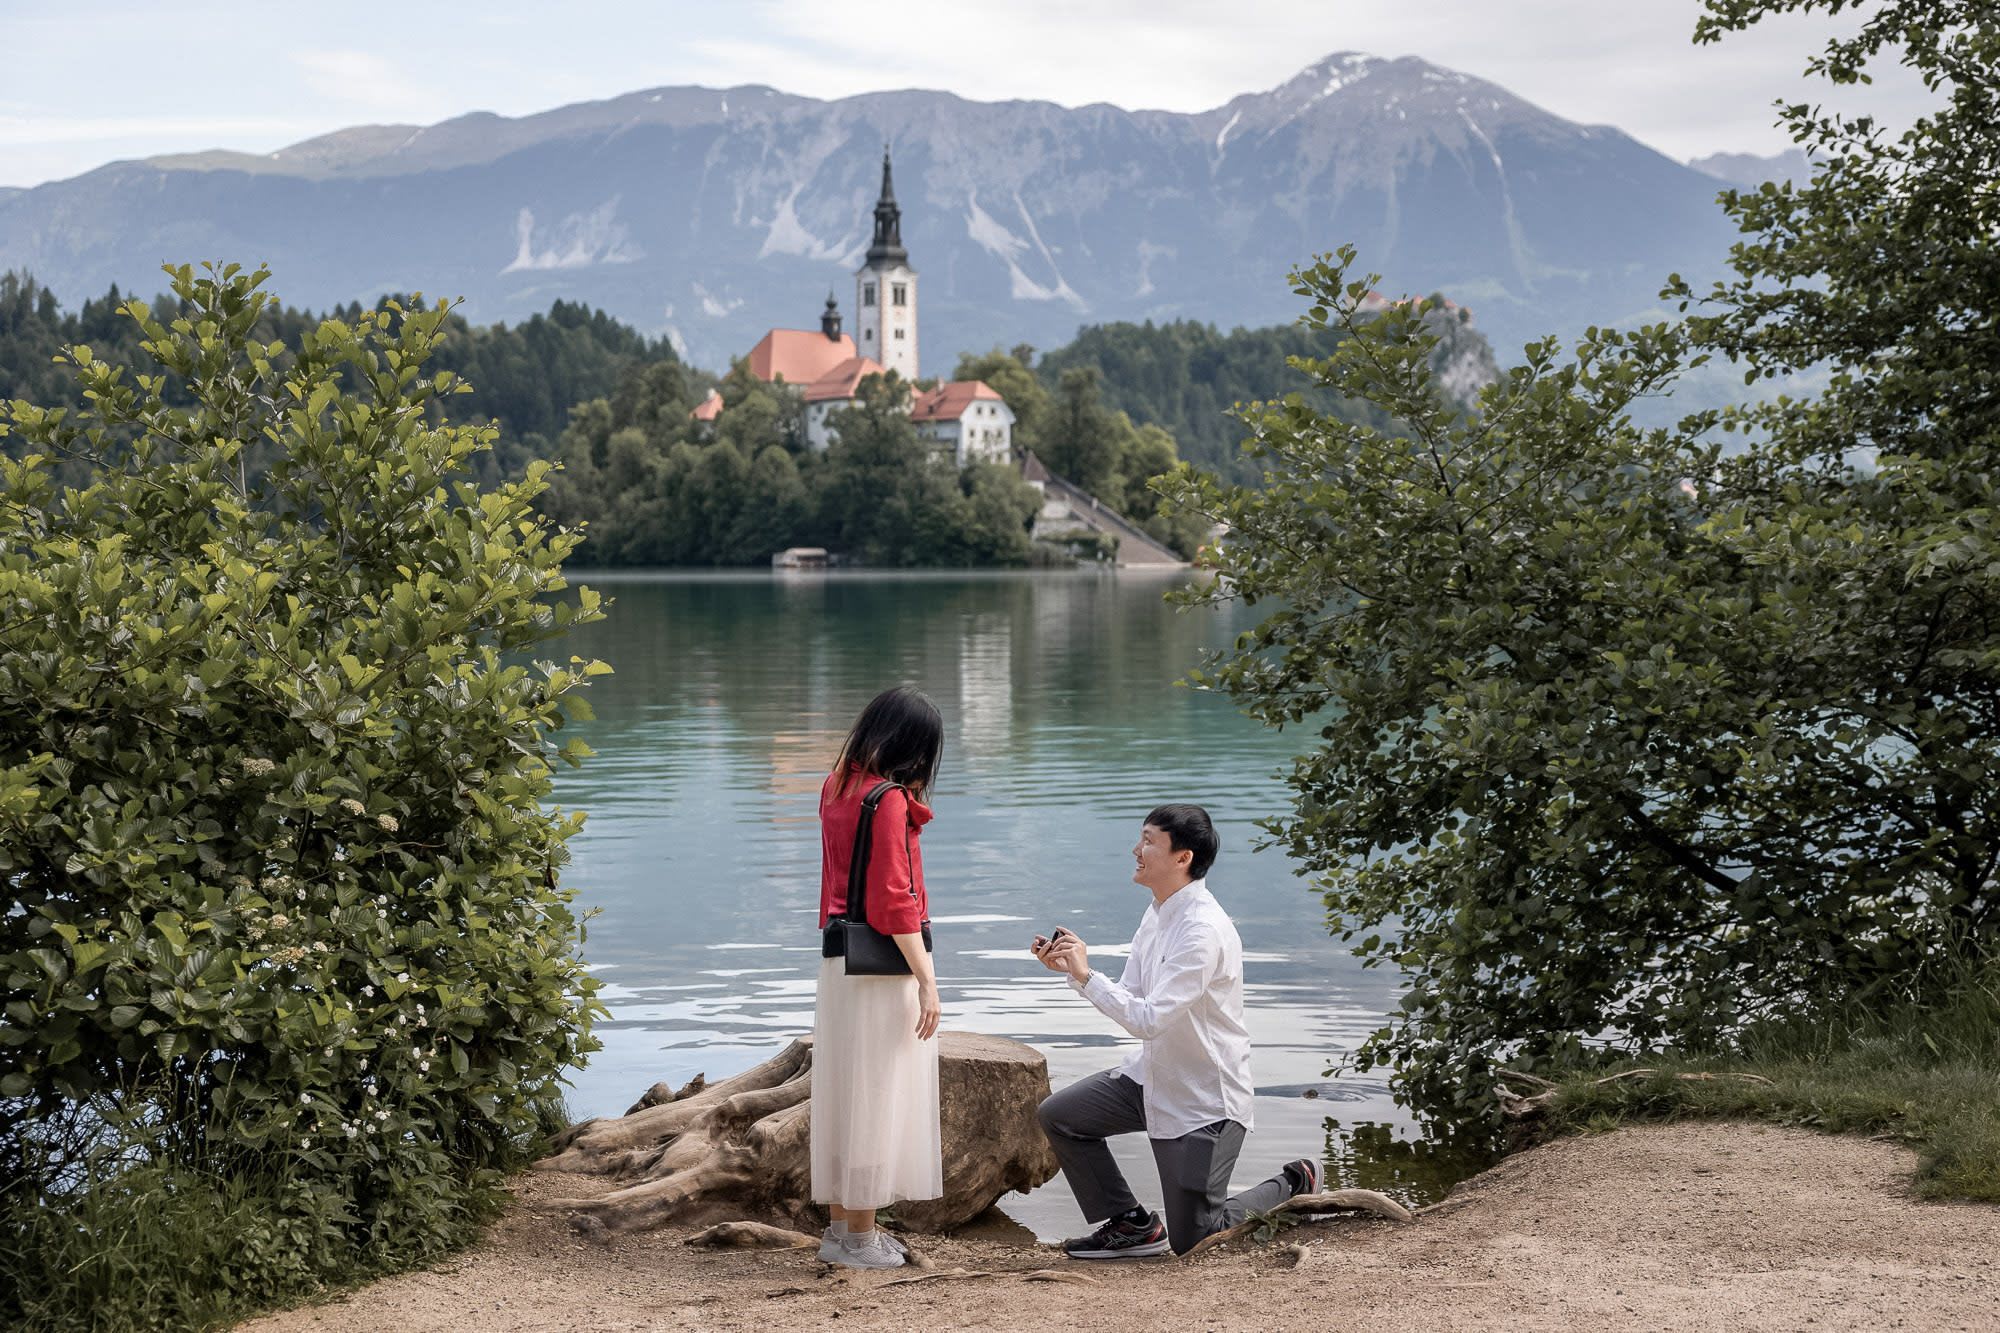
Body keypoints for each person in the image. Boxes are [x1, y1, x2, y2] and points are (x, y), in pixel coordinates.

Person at [1032, 803, 1321, 1258]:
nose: (1136, 849)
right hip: (1151, 1079)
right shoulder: (1158, 913)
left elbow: (1147, 1020)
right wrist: (1072, 969)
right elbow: (1131, 994)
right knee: (1061, 1115)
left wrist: (1088, 978)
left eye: (1148, 840)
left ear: (1182, 857)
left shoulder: (1202, 931)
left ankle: (1294, 1182)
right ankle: (1131, 1224)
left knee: (1196, 1240)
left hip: (1204, 1101)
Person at [810, 686, 945, 1269]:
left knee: (846, 1091)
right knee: (875, 1096)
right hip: (883, 964)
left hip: (840, 963)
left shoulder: (837, 786)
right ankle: (862, 1240)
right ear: (910, 748)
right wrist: (928, 979)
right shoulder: (887, 800)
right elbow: (894, 901)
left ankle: (842, 1232)